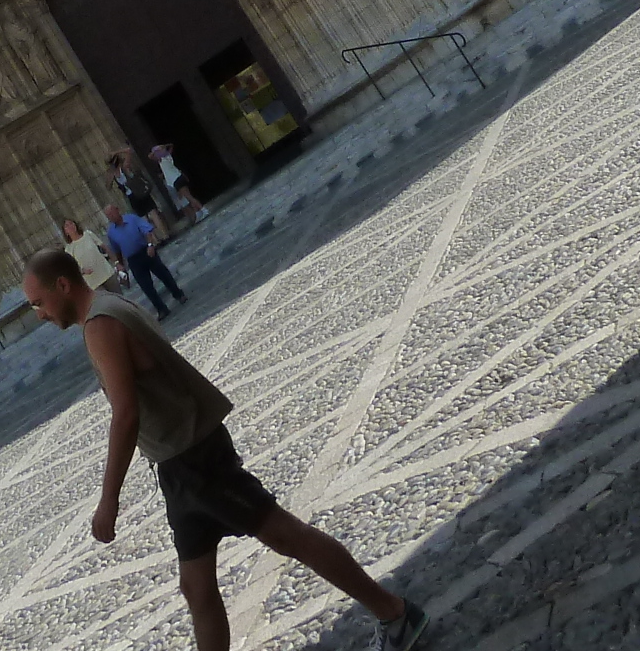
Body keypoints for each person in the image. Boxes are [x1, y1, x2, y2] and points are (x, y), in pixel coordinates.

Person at [21, 247, 426, 651]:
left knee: (287, 536)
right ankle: (394, 613)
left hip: (196, 460)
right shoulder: (111, 306)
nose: (39, 314)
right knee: (196, 587)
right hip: (179, 466)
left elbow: (126, 414)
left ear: (63, 285)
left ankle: (395, 612)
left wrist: (109, 499)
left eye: (39, 302)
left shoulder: (101, 325)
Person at [104, 201, 186, 317]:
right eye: (108, 216)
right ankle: (161, 309)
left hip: (146, 251)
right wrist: (121, 266)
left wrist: (150, 245)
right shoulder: (111, 232)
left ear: (117, 210)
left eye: (112, 213)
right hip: (133, 260)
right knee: (146, 286)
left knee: (163, 274)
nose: (111, 216)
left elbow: (147, 231)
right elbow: (117, 250)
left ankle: (178, 294)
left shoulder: (132, 219)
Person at [111, 148, 173, 240]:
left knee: (144, 219)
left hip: (131, 197)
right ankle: (165, 235)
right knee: (153, 213)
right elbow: (129, 150)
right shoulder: (125, 167)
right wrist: (116, 151)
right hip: (139, 192)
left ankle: (154, 240)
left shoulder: (114, 174)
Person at [150, 142, 208, 224]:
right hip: (178, 177)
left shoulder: (162, 159)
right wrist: (164, 146)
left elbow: (150, 156)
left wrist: (158, 149)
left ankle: (203, 209)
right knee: (188, 197)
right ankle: (197, 213)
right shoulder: (168, 156)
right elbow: (171, 145)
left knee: (189, 197)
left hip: (176, 179)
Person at [60, 216, 119, 292]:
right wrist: (83, 271)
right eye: (67, 226)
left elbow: (105, 248)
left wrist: (116, 262)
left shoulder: (88, 234)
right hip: (93, 283)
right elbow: (71, 269)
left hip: (106, 273)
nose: (70, 226)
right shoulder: (69, 249)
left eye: (71, 223)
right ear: (65, 232)